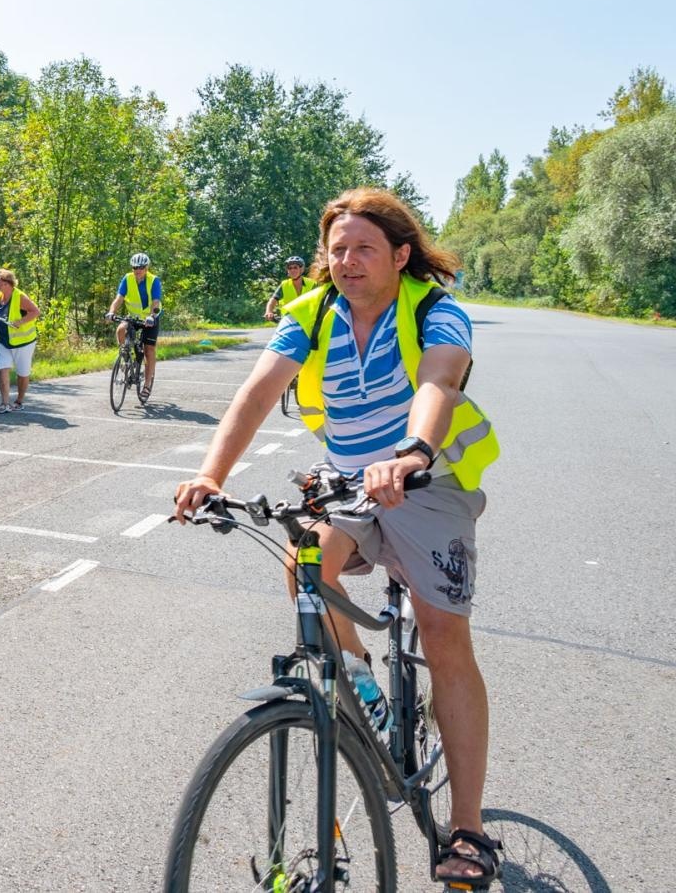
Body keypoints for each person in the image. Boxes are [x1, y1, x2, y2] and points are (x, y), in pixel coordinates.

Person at [172, 187, 502, 888]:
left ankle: (468, 829)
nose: (346, 261)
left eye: (363, 249)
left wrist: (413, 453)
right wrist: (209, 475)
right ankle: (360, 685)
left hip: (425, 480)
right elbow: (257, 393)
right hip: (347, 480)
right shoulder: (312, 312)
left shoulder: (435, 311)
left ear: (400, 255)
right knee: (305, 561)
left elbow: (440, 382)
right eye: (337, 249)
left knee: (443, 633)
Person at [105, 252, 162, 400]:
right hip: (134, 317)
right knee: (121, 329)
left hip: (150, 318)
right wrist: (111, 312)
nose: (138, 270)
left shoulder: (154, 280)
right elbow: (119, 298)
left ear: (146, 267)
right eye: (135, 267)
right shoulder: (127, 279)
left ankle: (147, 384)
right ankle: (125, 356)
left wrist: (151, 316)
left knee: (149, 350)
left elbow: (155, 301)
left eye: (141, 267)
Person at [0, 268, 40, 414]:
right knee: (2, 369)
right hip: (4, 341)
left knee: (22, 374)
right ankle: (5, 403)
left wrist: (21, 321)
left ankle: (19, 401)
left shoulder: (19, 297)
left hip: (23, 342)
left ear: (7, 283)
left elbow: (36, 311)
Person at [263, 254, 310, 322]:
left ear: (301, 269)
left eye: (295, 267)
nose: (292, 270)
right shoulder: (284, 285)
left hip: (308, 322)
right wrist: (269, 311)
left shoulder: (312, 284)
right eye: (290, 268)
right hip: (289, 321)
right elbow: (273, 300)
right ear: (287, 271)